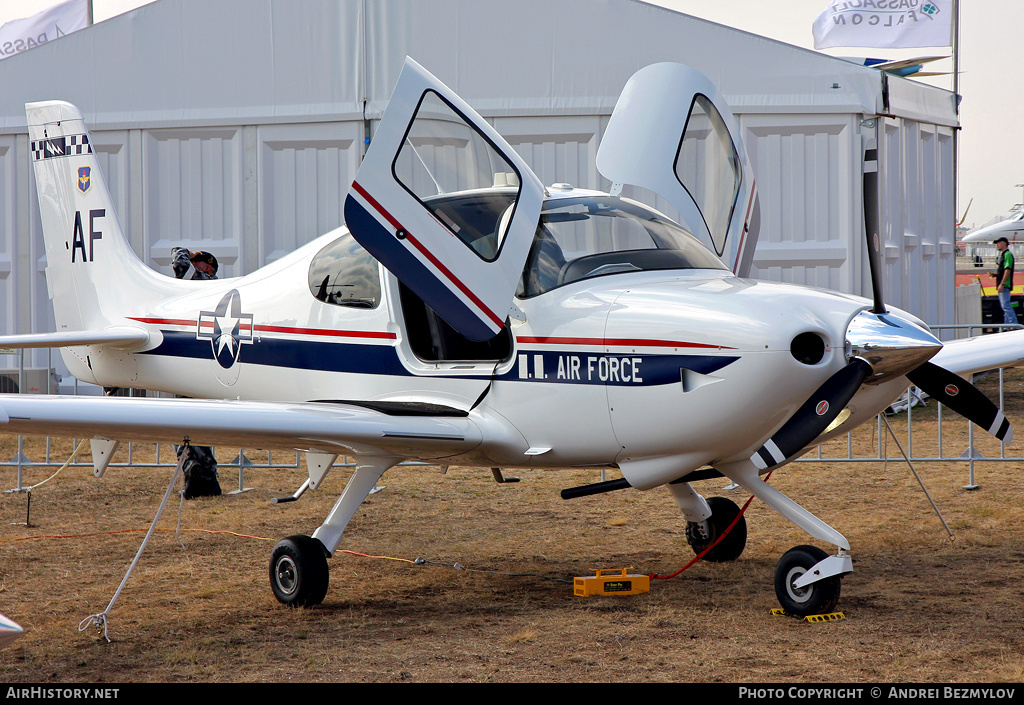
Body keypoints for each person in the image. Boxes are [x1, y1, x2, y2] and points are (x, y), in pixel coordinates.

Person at [171, 247, 223, 498]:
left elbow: (180, 264)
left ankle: (198, 472)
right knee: (192, 425)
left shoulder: (205, 285)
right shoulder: (189, 285)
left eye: (198, 265)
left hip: (196, 366)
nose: (196, 268)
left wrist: (184, 259)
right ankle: (200, 475)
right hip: (194, 366)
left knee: (190, 424)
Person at [991, 237, 1017, 327]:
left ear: (1005, 243)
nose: (997, 245)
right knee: (1005, 306)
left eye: (999, 242)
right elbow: (1004, 270)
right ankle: (1007, 325)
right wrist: (996, 275)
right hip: (1003, 284)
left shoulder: (1007, 254)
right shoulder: (1004, 255)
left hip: (1005, 285)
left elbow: (1007, 270)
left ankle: (1013, 324)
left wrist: (1002, 283)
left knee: (1006, 305)